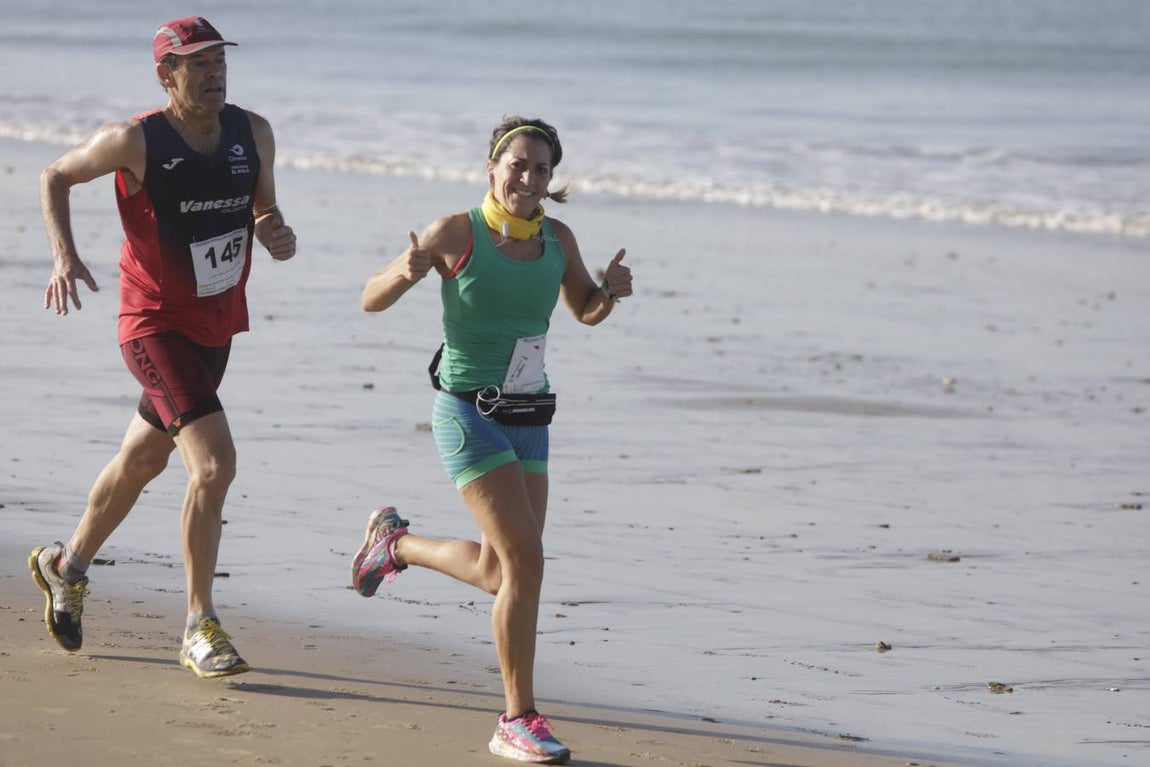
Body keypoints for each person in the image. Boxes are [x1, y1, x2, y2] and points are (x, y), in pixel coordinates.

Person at [352, 116, 632, 763]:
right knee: (527, 562)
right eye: (518, 164)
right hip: (466, 412)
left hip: (530, 415)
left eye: (541, 169)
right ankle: (517, 717)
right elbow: (370, 297)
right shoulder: (459, 232)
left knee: (500, 569)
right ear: (492, 167)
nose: (528, 178)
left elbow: (585, 308)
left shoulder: (558, 239)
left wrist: (610, 294)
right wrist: (406, 271)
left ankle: (394, 544)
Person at [29, 16, 297, 679]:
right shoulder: (134, 140)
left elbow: (262, 208)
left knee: (142, 458)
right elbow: (55, 175)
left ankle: (67, 567)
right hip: (152, 324)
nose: (215, 73)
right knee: (212, 465)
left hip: (216, 326)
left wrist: (273, 230)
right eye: (198, 64)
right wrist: (64, 256)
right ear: (165, 75)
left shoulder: (252, 132)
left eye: (219, 62)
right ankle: (198, 624)